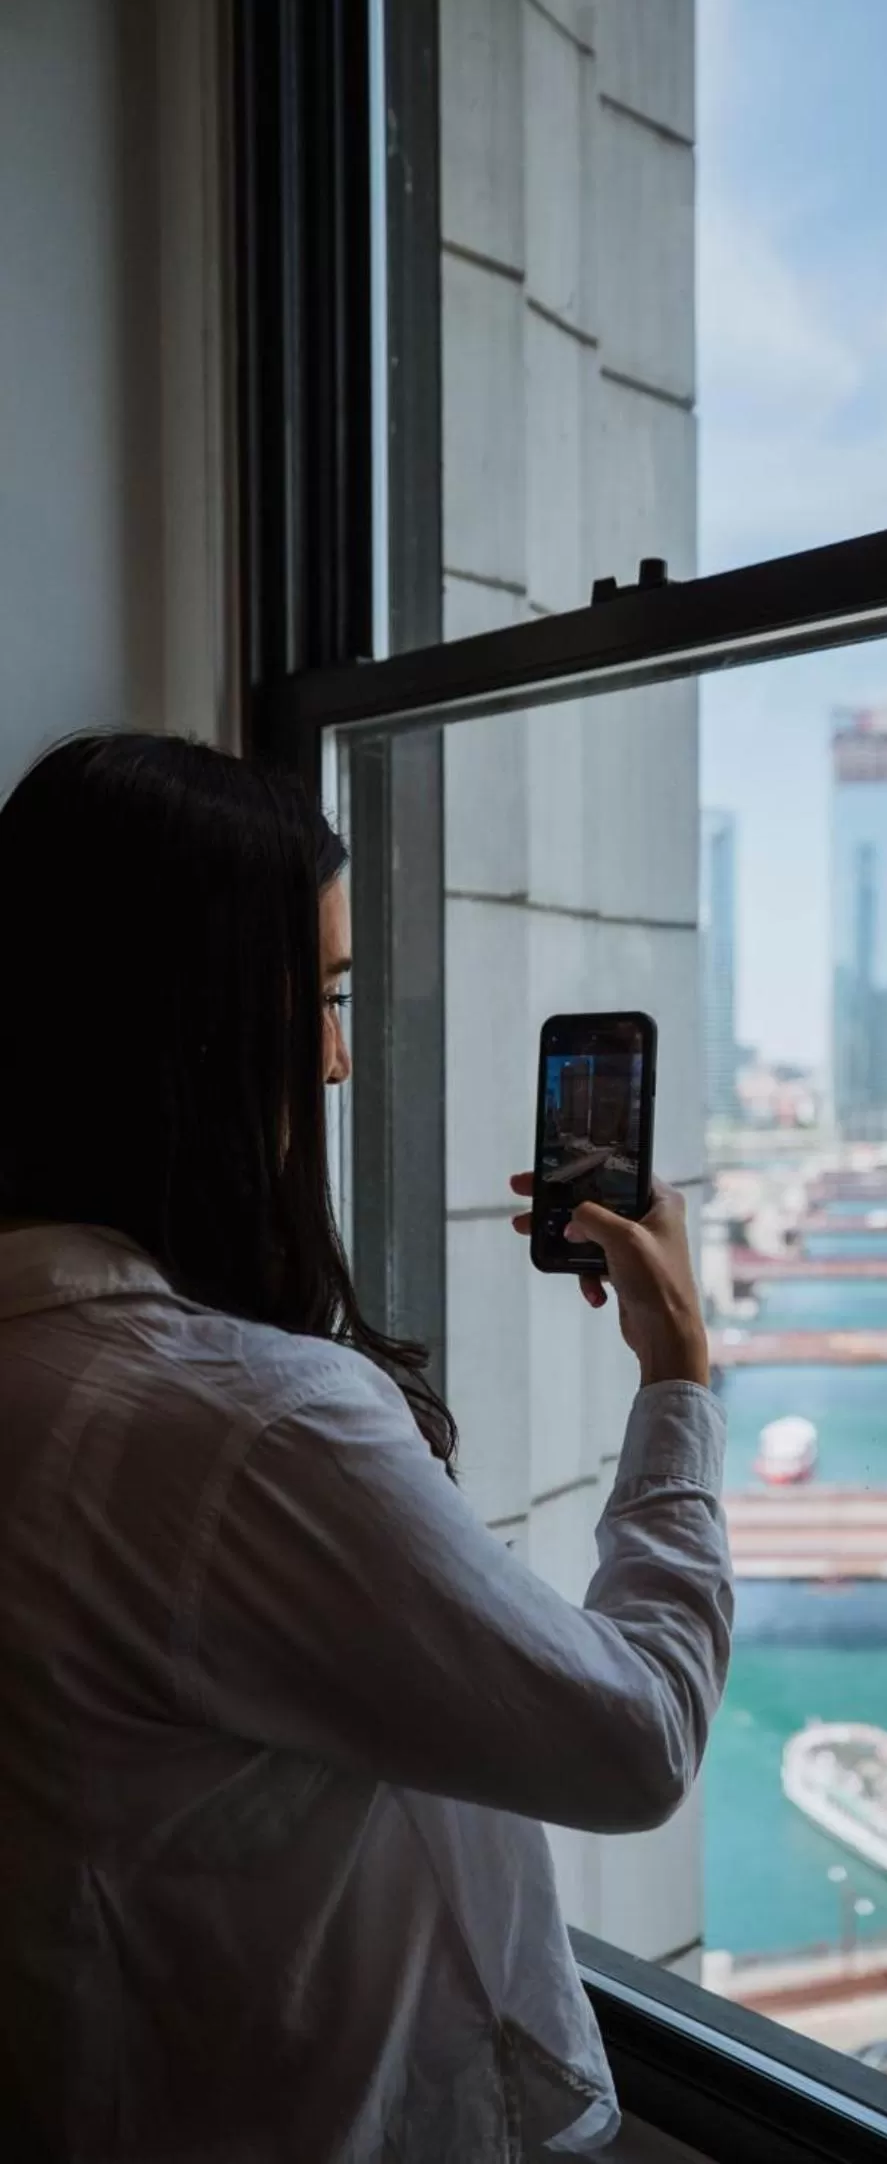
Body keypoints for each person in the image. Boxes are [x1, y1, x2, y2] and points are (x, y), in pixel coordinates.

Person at [0, 732, 732, 2162]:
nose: (339, 1063)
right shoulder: (254, 1431)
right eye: (326, 999)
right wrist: (679, 1375)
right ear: (198, 1022)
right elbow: (637, 1741)